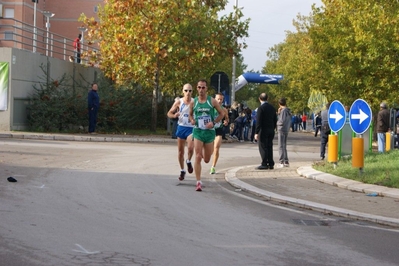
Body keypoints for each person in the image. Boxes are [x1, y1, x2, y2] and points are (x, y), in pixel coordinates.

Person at [189, 79, 224, 191]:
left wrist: (213, 122)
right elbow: (190, 115)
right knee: (198, 156)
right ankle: (198, 182)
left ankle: (205, 153)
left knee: (207, 159)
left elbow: (222, 113)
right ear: (197, 88)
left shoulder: (212, 101)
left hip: (209, 132)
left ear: (206, 89)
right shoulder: (193, 102)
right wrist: (192, 120)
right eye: (199, 87)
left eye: (203, 87)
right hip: (198, 131)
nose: (201, 90)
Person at [167, 84, 195, 180]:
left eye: (190, 91)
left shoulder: (195, 102)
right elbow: (169, 113)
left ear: (192, 92)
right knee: (180, 152)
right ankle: (182, 170)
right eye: (186, 90)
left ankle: (188, 161)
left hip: (191, 128)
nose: (188, 93)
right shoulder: (179, 102)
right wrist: (175, 115)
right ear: (183, 91)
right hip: (181, 127)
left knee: (191, 148)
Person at [254, 93, 277, 170]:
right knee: (269, 146)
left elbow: (259, 121)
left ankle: (264, 163)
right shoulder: (272, 108)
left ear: (259, 99)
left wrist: (256, 132)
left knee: (263, 146)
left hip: (263, 130)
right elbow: (275, 120)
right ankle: (271, 163)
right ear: (268, 98)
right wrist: (273, 128)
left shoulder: (261, 108)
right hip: (271, 129)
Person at [210, 93, 229, 174]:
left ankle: (213, 166)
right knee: (209, 149)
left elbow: (227, 119)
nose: (219, 101)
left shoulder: (224, 110)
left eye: (221, 99)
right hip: (209, 130)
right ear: (215, 99)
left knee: (216, 148)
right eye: (218, 99)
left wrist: (226, 122)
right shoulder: (210, 108)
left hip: (218, 129)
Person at [277, 97, 291, 168]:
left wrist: (277, 123)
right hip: (286, 129)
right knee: (284, 145)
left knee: (280, 146)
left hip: (281, 129)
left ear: (279, 104)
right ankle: (286, 161)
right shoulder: (288, 110)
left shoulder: (283, 111)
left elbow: (281, 121)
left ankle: (281, 161)